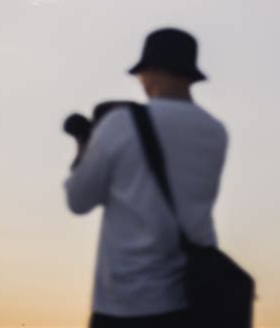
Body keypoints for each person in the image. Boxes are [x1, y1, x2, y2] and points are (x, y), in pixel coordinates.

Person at [63, 28, 229, 328]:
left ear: (152, 72)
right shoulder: (215, 132)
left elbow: (78, 200)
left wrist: (85, 143)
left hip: (125, 303)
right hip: (191, 300)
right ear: (190, 75)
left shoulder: (120, 123)